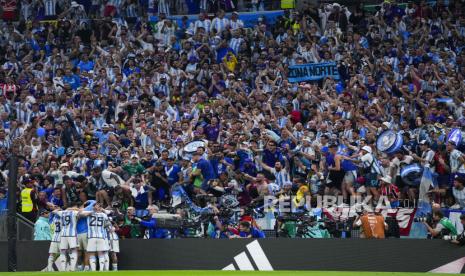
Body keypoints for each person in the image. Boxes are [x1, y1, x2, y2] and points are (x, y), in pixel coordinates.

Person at [80, 203, 110, 271]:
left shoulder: (89, 213)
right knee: (101, 253)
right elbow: (108, 224)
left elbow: (80, 213)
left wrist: (90, 211)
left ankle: (93, 270)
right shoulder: (103, 214)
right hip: (101, 236)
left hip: (91, 237)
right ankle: (101, 270)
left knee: (92, 253)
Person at [52, 203, 80, 271]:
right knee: (73, 250)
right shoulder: (74, 212)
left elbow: (54, 212)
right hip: (72, 234)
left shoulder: (62, 212)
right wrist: (73, 209)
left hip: (63, 234)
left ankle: (63, 269)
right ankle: (72, 268)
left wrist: (62, 209)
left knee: (63, 251)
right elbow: (80, 211)